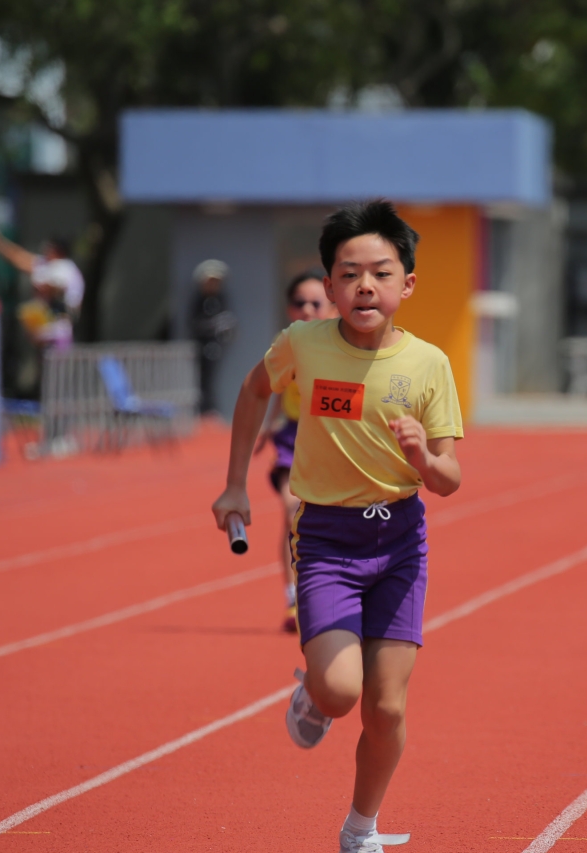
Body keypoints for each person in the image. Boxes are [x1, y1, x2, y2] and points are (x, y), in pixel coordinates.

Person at [211, 200, 462, 853]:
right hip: (327, 539)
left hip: (400, 541)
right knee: (343, 690)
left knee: (388, 706)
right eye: (349, 274)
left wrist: (422, 458)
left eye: (380, 272)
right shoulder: (304, 343)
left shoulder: (429, 363)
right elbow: (254, 391)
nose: (365, 286)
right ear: (329, 285)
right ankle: (316, 696)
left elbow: (449, 478)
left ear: (408, 282)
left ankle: (360, 829)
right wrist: (236, 482)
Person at [255, 269, 338, 633]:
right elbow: (274, 386)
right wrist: (267, 426)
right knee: (293, 513)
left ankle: (332, 594)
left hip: (335, 440)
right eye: (298, 302)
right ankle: (293, 598)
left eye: (315, 303)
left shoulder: (347, 342)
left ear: (333, 306)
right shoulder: (287, 342)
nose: (306, 309)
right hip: (293, 438)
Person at [0, 233, 84, 348]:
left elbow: (56, 289)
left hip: (59, 331)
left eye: (49, 247)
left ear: (58, 250)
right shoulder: (47, 264)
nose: (45, 250)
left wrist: (44, 288)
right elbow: (19, 257)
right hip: (47, 332)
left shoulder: (65, 267)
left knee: (57, 359)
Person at [190, 259, 237, 415]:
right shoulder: (199, 301)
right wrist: (213, 324)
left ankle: (210, 408)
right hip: (202, 347)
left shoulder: (221, 300)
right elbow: (195, 323)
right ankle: (205, 409)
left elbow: (228, 322)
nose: (213, 286)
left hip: (217, 346)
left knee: (212, 378)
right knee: (203, 379)